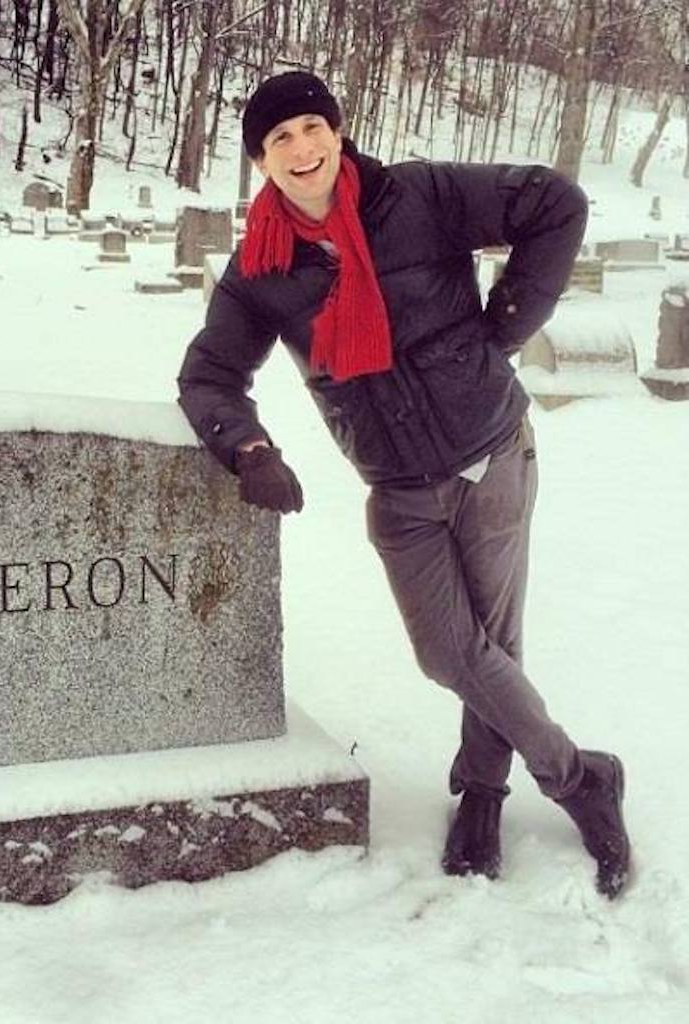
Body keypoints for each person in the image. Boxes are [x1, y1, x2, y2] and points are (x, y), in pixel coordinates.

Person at [177, 71, 631, 897]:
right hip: (397, 486)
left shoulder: (419, 196)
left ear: (337, 130)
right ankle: (581, 776)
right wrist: (247, 447)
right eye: (279, 139)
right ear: (261, 161)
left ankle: (484, 794)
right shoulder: (260, 268)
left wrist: (503, 329)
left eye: (312, 127)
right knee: (451, 653)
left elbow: (555, 203)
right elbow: (210, 375)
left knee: (494, 644)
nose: (302, 149)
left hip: (491, 451)